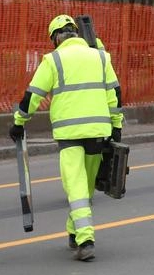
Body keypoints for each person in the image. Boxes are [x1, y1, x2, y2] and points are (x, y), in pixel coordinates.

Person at [10, 14, 123, 261]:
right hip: (98, 132)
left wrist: (19, 122)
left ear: (55, 38)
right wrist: (117, 126)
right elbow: (114, 93)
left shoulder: (53, 60)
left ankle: (86, 239)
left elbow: (33, 95)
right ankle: (74, 232)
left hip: (70, 134)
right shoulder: (100, 56)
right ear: (75, 32)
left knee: (75, 186)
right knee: (85, 188)